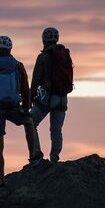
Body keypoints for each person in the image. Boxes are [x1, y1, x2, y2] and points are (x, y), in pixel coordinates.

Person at [0, 35, 40, 188]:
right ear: (10, 48)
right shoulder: (17, 65)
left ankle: (2, 180)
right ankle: (33, 157)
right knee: (29, 123)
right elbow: (25, 89)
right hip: (14, 108)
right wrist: (26, 109)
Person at [30, 27, 74, 163]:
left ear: (43, 39)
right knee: (56, 129)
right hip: (62, 98)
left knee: (31, 122)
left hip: (47, 97)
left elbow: (36, 79)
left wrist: (31, 98)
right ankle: (55, 158)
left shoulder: (43, 57)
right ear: (57, 38)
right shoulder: (65, 55)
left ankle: (37, 155)